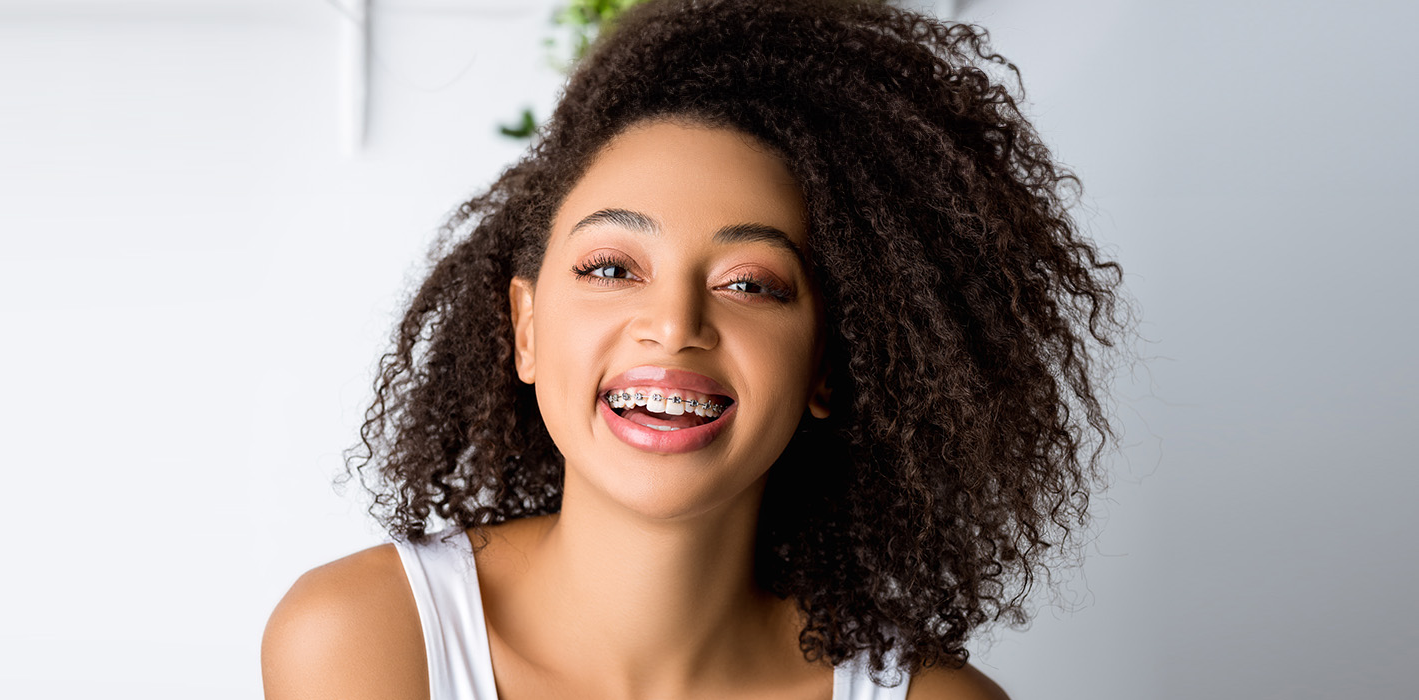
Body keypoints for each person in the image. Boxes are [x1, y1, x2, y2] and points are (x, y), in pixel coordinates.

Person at [263, 0, 1128, 698]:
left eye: (750, 283)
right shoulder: (365, 643)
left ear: (830, 360)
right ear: (525, 328)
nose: (674, 324)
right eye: (611, 267)